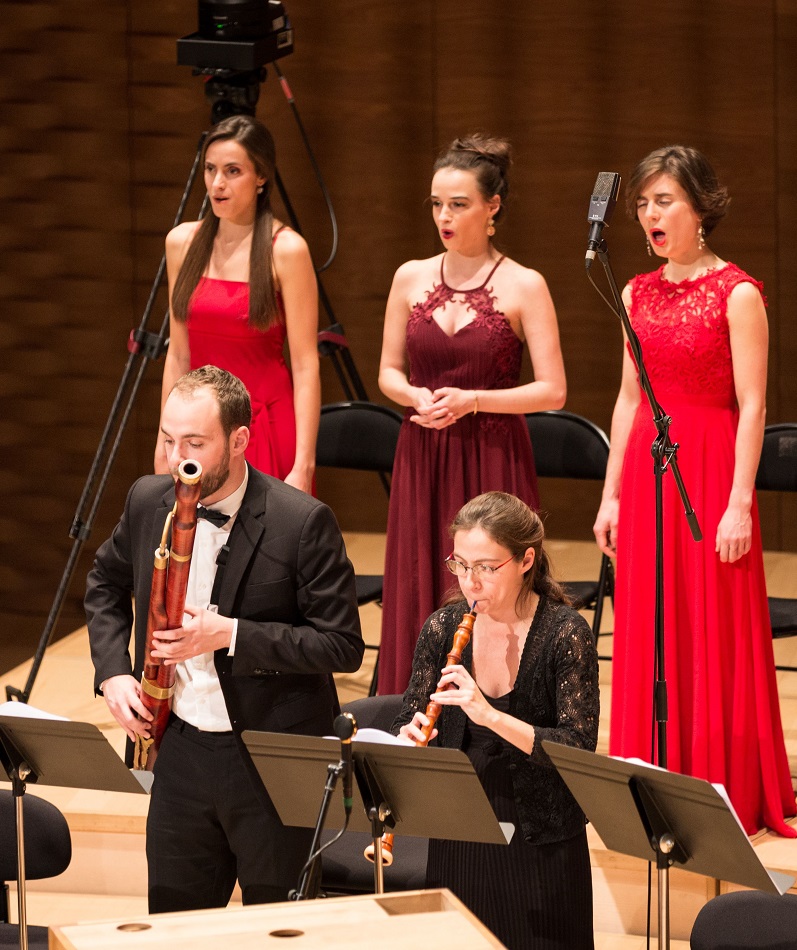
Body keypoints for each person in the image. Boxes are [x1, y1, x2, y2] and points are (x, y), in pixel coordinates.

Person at [86, 366, 364, 912]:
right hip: (180, 750)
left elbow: (340, 644)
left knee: (278, 927)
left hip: (271, 755)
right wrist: (112, 672)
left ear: (239, 440)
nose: (174, 458)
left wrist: (230, 634)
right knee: (174, 923)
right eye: (168, 440)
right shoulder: (148, 500)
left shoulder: (301, 521)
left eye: (194, 443)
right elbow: (105, 582)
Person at [592, 145, 796, 837]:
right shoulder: (633, 291)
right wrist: (610, 495)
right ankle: (651, 781)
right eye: (643, 202)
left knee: (709, 623)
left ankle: (721, 784)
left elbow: (752, 404)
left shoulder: (737, 292)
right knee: (649, 622)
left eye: (664, 200)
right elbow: (625, 401)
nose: (651, 214)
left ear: (699, 207)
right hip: (646, 470)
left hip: (706, 471)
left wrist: (739, 501)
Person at [377, 133, 567, 694]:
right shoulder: (409, 276)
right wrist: (415, 397)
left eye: (458, 204)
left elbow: (553, 390)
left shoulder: (524, 284)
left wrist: (473, 401)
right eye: (436, 203)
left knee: (492, 588)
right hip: (424, 450)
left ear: (493, 207)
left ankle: (495, 712)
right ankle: (416, 712)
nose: (444, 215)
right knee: (421, 579)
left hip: (492, 452)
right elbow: (387, 371)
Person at [393, 491, 599, 950]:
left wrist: (486, 714)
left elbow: (576, 747)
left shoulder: (566, 634)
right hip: (461, 825)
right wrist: (408, 737)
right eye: (461, 565)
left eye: (486, 567)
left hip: (540, 838)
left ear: (526, 559)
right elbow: (410, 713)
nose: (471, 582)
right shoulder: (442, 627)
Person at [157, 114, 320, 495]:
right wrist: (166, 440)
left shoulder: (287, 249)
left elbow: (305, 363)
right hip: (198, 431)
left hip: (265, 425)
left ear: (261, 176)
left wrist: (304, 464)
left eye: (233, 171)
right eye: (211, 169)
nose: (217, 183)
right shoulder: (181, 242)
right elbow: (178, 356)